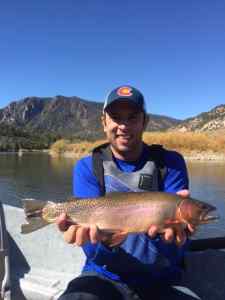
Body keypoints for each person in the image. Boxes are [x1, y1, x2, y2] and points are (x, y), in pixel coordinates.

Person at [57, 85, 196, 300]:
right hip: (103, 276)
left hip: (161, 278)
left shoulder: (171, 163)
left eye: (132, 118)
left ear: (145, 122)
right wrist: (102, 242)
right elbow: (91, 251)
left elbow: (178, 247)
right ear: (104, 122)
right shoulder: (87, 167)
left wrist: (169, 239)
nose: (123, 125)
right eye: (115, 117)